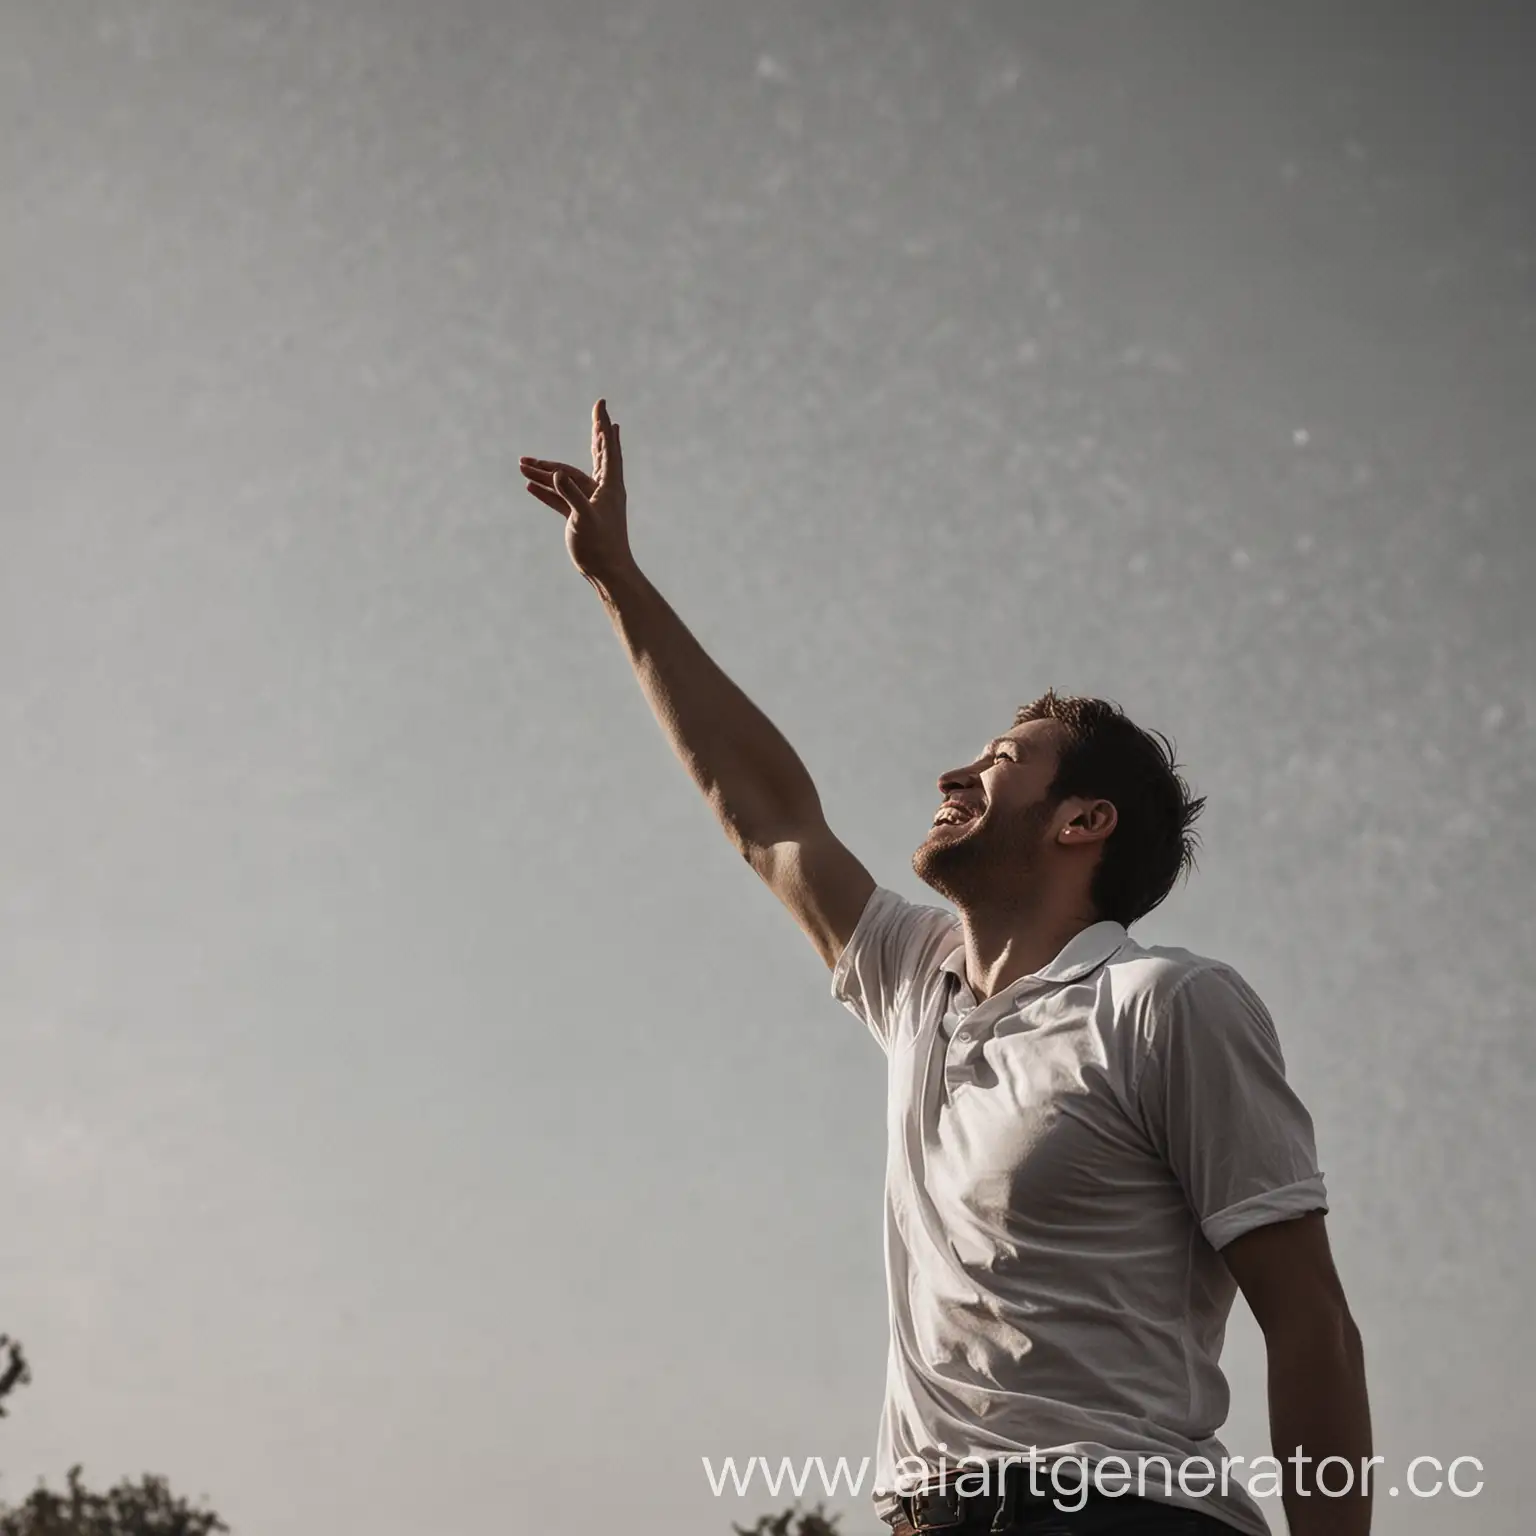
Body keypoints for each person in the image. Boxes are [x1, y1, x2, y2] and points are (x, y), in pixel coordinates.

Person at [519, 401, 1371, 1535]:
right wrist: (617, 579)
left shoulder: (1164, 1006)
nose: (955, 772)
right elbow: (768, 817)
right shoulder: (916, 980)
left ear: (1083, 823)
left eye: (1001, 761)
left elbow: (1310, 1322)